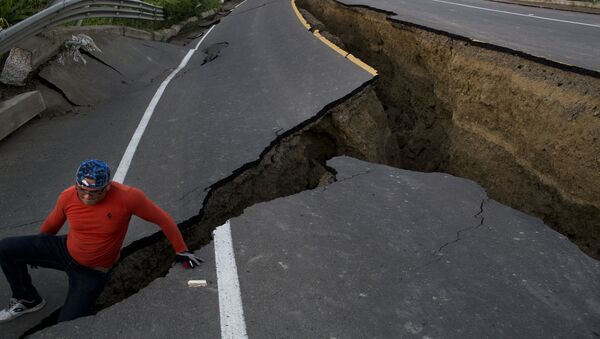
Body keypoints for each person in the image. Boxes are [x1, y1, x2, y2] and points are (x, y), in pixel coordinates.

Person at [0, 159, 202, 323]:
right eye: (82, 190)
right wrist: (35, 250)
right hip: (65, 249)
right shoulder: (68, 196)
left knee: (66, 325)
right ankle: (27, 298)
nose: (87, 196)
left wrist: (181, 250)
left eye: (95, 192)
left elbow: (162, 219)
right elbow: (51, 225)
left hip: (92, 270)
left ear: (107, 187)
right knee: (5, 248)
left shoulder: (128, 197)